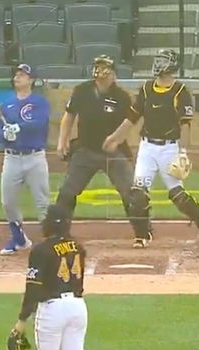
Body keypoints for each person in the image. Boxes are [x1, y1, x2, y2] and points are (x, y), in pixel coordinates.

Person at [102, 49, 199, 248]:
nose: (158, 64)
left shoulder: (180, 91)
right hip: (147, 148)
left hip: (169, 148)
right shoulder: (146, 88)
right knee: (138, 192)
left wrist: (183, 152)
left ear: (172, 65)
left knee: (177, 194)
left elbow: (185, 124)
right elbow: (132, 117)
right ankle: (142, 234)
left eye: (162, 60)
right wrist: (115, 138)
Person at [13, 204, 98, 350]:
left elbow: (33, 290)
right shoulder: (79, 248)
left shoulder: (41, 250)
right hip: (78, 307)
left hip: (53, 309)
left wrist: (21, 322)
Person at [55, 55, 134, 228]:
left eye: (104, 67)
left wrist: (115, 139)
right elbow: (69, 116)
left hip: (114, 151)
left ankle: (142, 233)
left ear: (113, 73)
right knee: (67, 191)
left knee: (131, 192)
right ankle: (59, 230)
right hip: (86, 149)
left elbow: (128, 124)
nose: (100, 71)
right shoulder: (81, 91)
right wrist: (63, 141)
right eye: (97, 66)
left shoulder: (121, 97)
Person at [0, 64, 51, 255]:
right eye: (16, 74)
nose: (17, 77)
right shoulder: (6, 105)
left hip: (35, 157)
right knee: (7, 202)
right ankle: (19, 240)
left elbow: (39, 123)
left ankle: (50, 240)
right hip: (12, 158)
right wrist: (5, 135)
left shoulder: (39, 102)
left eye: (22, 75)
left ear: (31, 80)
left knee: (42, 201)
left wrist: (18, 127)